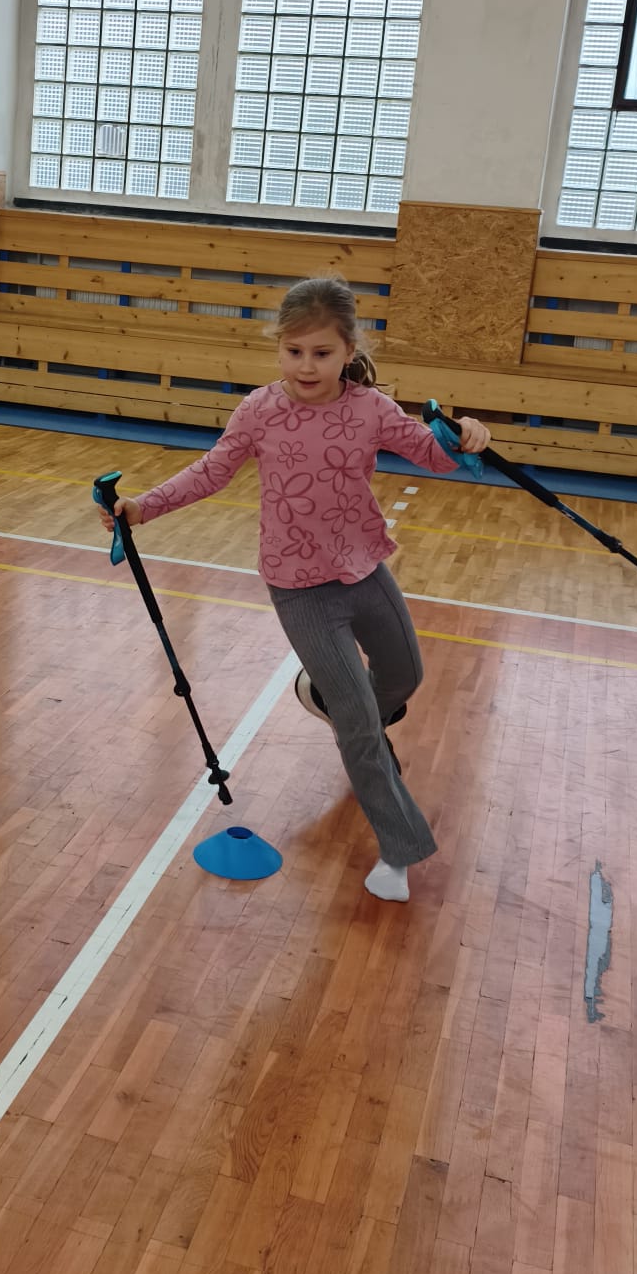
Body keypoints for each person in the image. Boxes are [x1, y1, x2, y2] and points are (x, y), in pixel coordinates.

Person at [96, 274, 491, 902]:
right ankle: (399, 850)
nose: (307, 366)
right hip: (299, 585)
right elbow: (212, 471)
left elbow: (435, 455)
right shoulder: (259, 411)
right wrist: (142, 507)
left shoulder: (371, 408)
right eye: (294, 351)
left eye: (322, 353)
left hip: (364, 567)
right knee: (360, 723)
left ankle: (327, 699)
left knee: (404, 676)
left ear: (348, 350)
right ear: (279, 347)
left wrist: (466, 434)